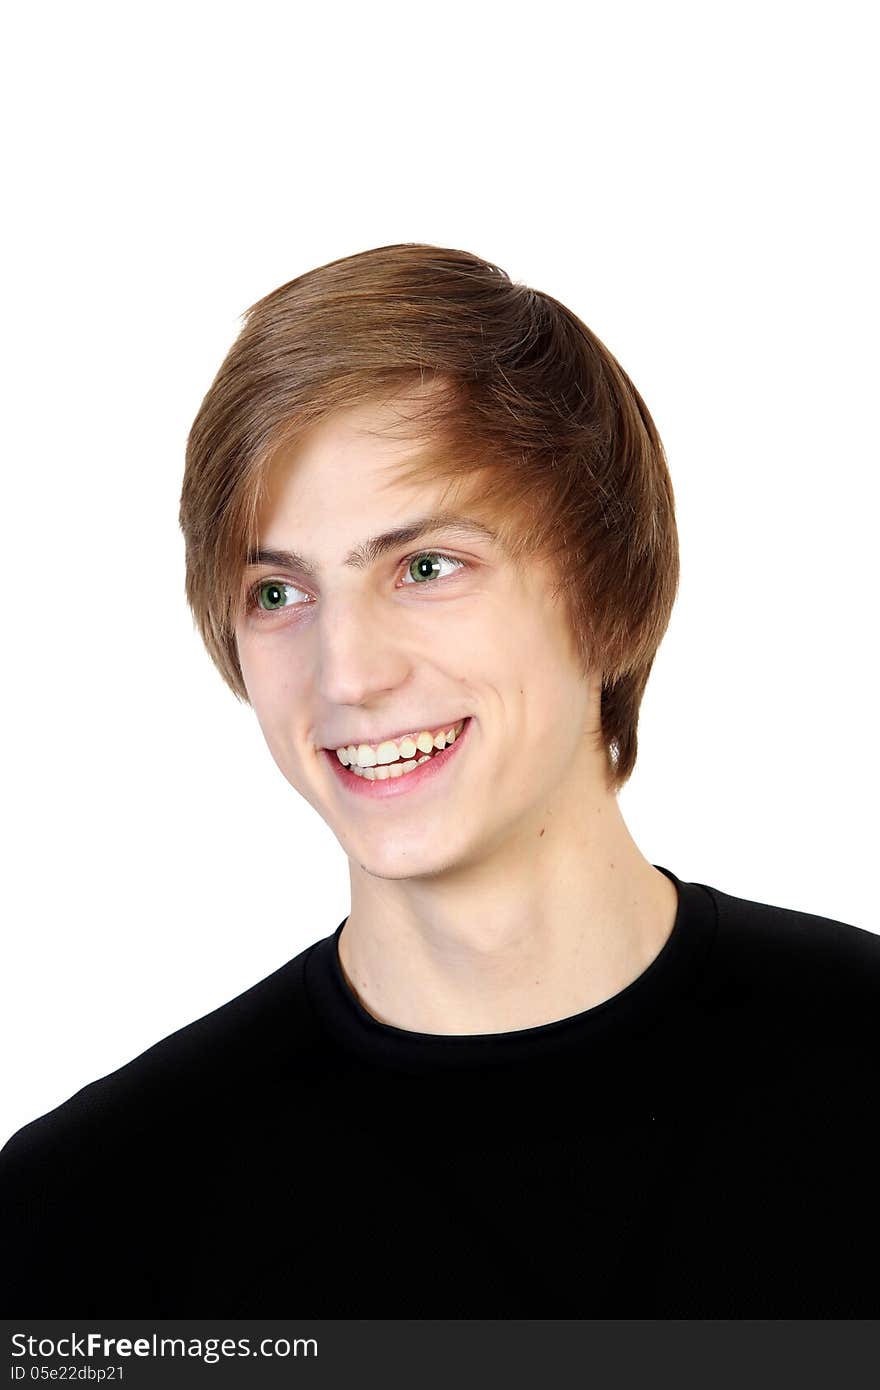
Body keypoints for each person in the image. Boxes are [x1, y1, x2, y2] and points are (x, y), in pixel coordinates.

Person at [1, 244, 877, 1318]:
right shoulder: (82, 1220)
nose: (347, 674)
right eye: (277, 593)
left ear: (608, 596)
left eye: (424, 567)